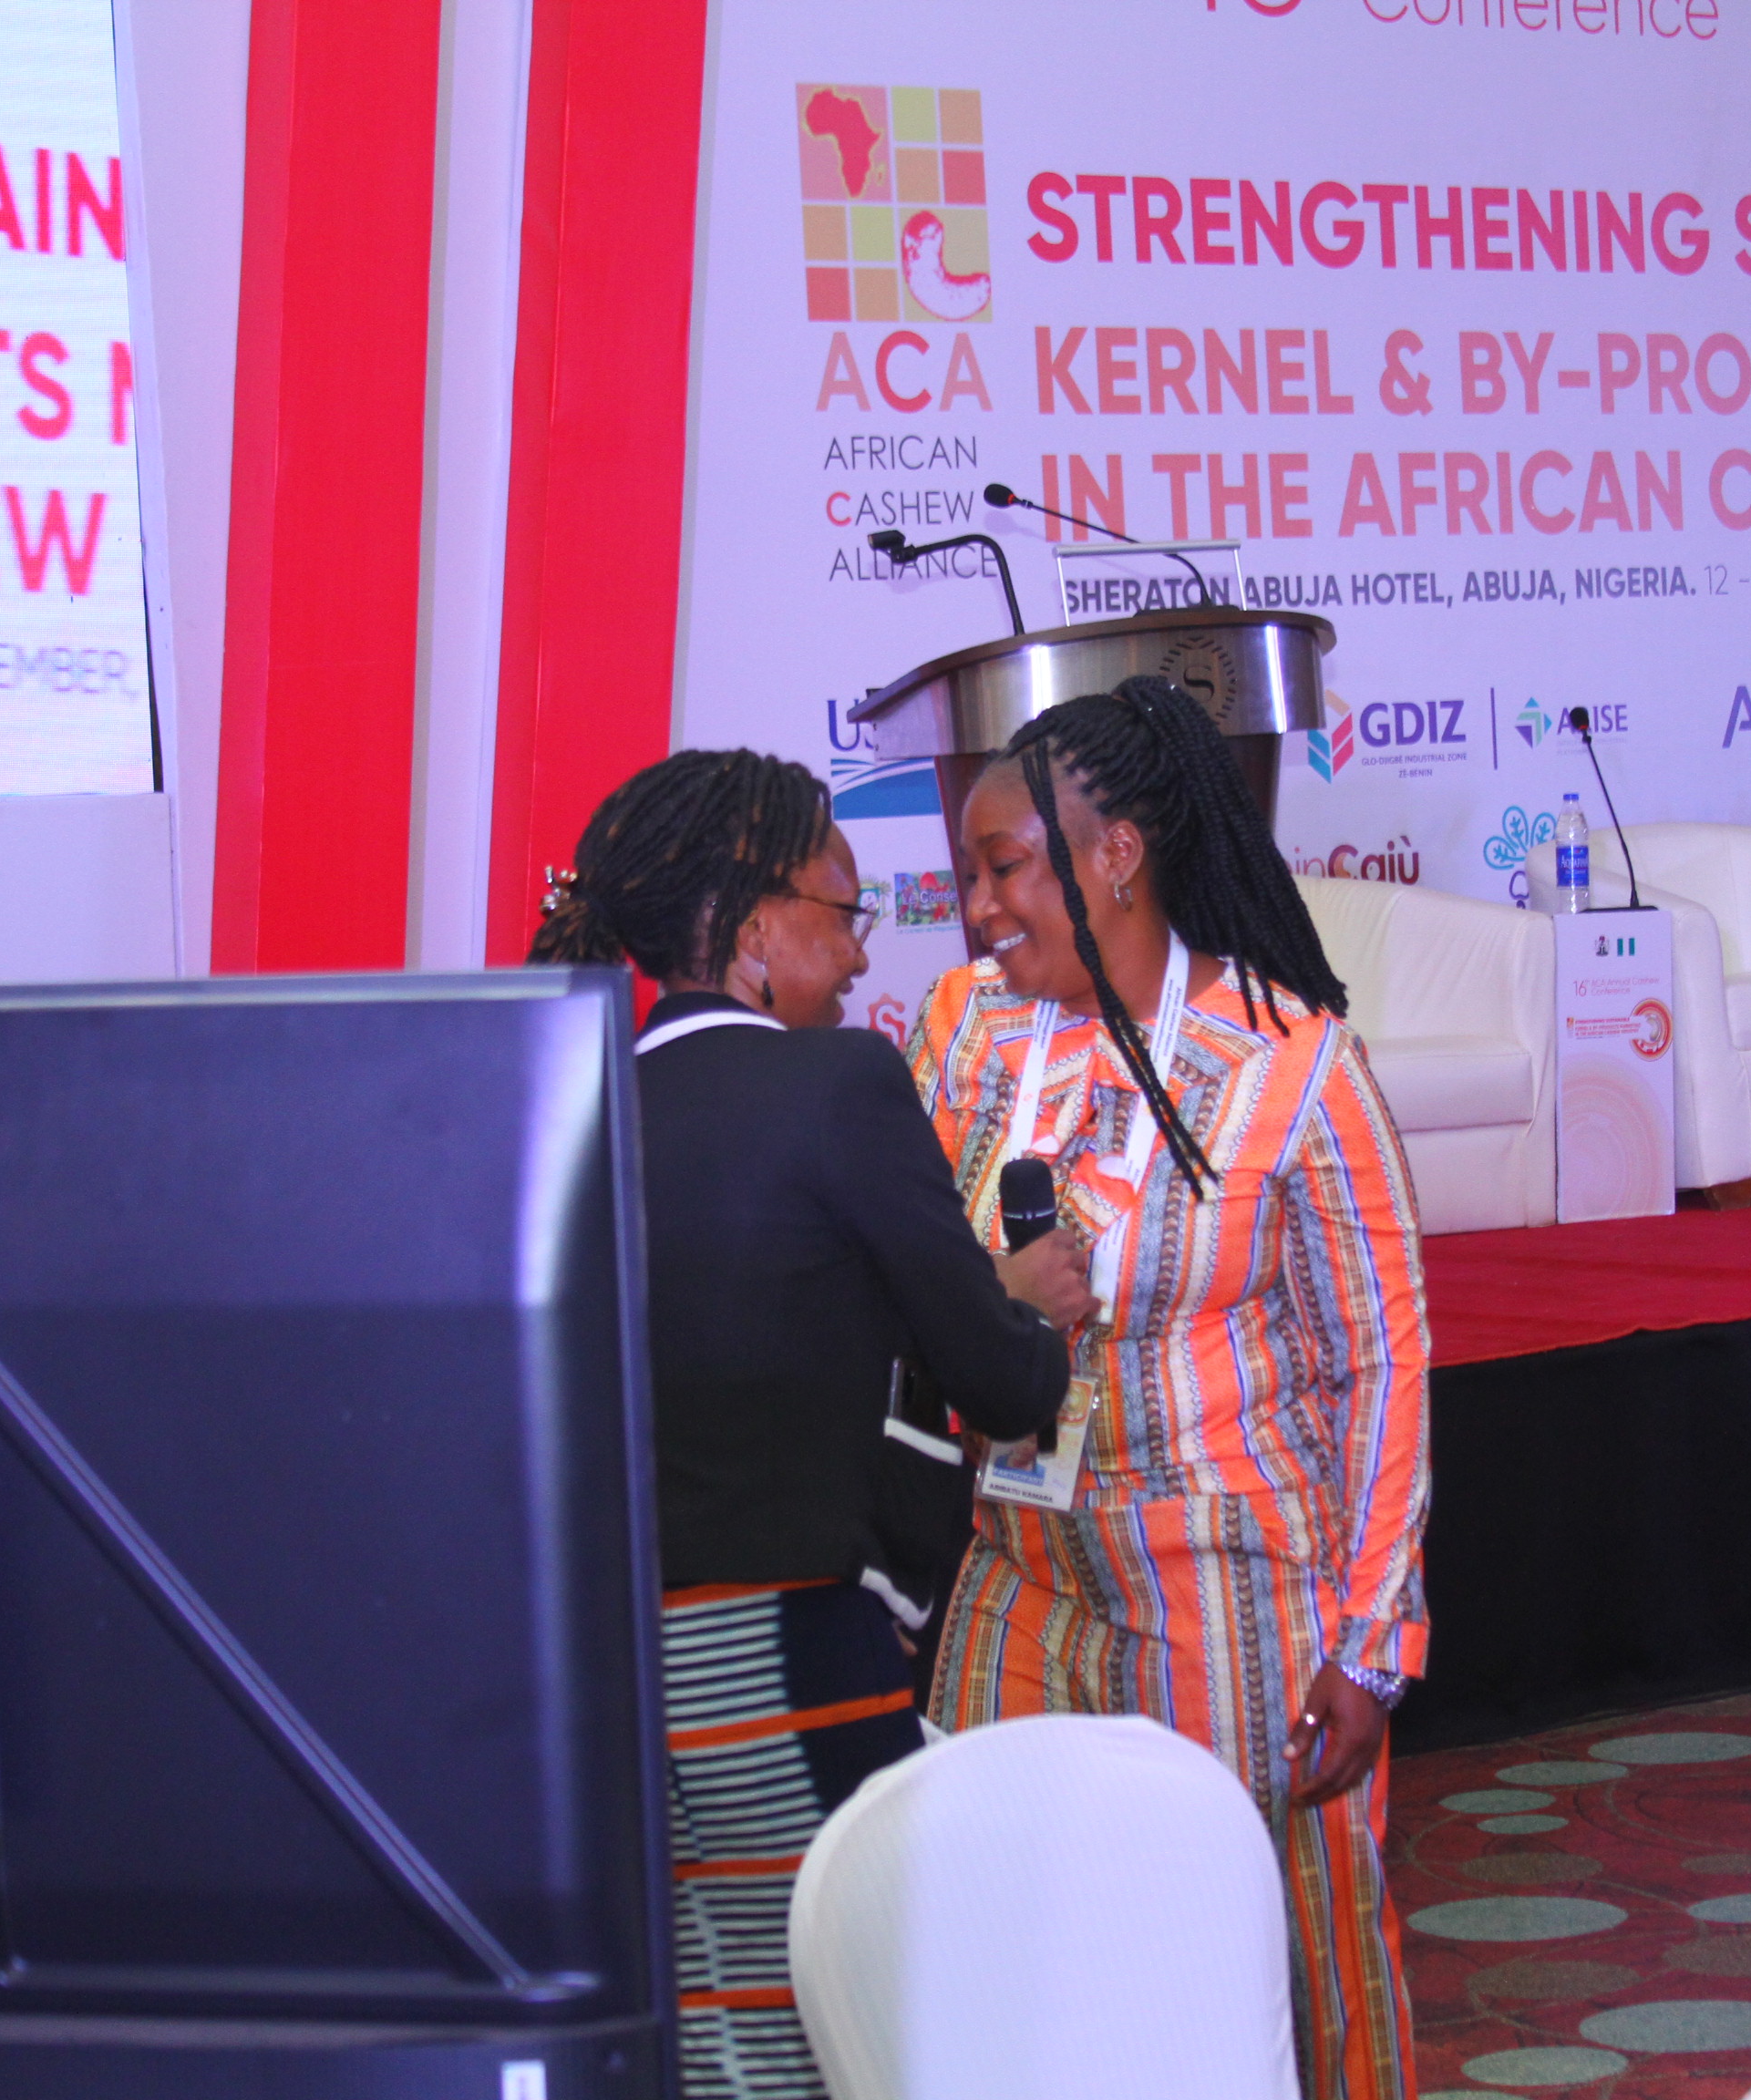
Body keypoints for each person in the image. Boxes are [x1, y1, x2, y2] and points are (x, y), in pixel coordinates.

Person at [530, 748, 1091, 2100]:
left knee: (694, 2046)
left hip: (594, 1685)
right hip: (787, 1661)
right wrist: (1026, 1310)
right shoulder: (837, 1086)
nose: (858, 954)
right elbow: (1003, 1385)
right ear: (752, 930)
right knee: (835, 2041)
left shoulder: (558, 1106)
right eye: (843, 913)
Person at [907, 678, 1431, 2100]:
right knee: (986, 1931)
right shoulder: (964, 1029)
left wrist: (1371, 1640)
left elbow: (1379, 1361)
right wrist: (990, 1294)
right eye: (969, 874)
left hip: (1227, 1585)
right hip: (1019, 1563)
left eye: (1005, 868)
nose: (977, 907)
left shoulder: (1291, 1063)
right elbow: (900, 1258)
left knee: (1281, 1952)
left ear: (1118, 855)